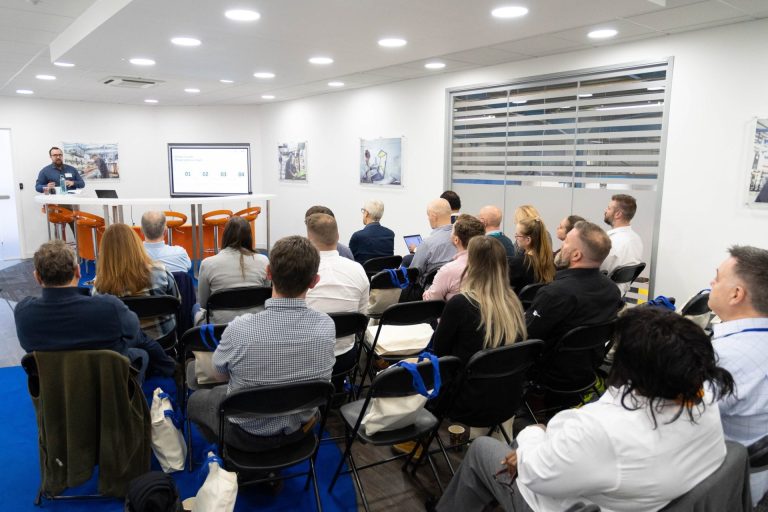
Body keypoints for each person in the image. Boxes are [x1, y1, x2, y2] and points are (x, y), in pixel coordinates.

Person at [435, 307, 735, 512]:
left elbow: (537, 473)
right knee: (516, 451)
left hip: (578, 503)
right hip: (642, 494)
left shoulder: (602, 430)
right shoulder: (704, 396)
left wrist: (533, 436)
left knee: (484, 449)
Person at [187, 236, 335, 452]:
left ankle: (230, 454)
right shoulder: (327, 326)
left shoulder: (240, 329)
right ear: (314, 281)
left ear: (268, 274)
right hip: (301, 430)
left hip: (246, 435)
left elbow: (219, 375)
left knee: (196, 400)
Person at [14, 240, 174, 382]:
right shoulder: (107, 308)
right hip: (105, 387)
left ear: (37, 277)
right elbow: (133, 331)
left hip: (54, 391)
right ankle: (171, 369)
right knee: (141, 349)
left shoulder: (23, 313)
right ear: (78, 271)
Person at [526, 221, 622, 388]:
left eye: (566, 242)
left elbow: (526, 335)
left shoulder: (555, 293)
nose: (561, 245)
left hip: (549, 374)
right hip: (587, 370)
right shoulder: (612, 290)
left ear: (576, 255)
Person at [709, 245, 768, 506]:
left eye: (718, 278)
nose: (712, 282)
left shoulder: (721, 357)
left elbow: (667, 421)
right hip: (754, 481)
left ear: (736, 294)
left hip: (720, 486)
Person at [432, 236, 526, 364]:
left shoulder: (460, 304)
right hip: (507, 381)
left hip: (465, 380)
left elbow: (439, 351)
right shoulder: (514, 301)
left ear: (471, 264)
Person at [305, 213, 369, 387]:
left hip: (307, 359)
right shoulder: (358, 270)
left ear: (309, 239)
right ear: (338, 237)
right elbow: (362, 318)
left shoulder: (303, 271)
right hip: (345, 357)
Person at [92, 223, 180, 341]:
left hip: (122, 345)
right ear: (136, 244)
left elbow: (98, 318)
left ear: (104, 252)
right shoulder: (161, 272)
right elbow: (176, 302)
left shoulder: (99, 285)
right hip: (162, 339)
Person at [196, 216, 270, 324]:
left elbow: (204, 304)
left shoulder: (207, 264)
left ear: (225, 236)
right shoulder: (264, 261)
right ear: (250, 237)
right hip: (255, 324)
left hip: (220, 327)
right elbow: (267, 295)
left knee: (195, 308)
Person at [423, 214, 485, 302]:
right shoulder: (492, 265)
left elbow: (432, 301)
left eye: (452, 230)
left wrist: (426, 292)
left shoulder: (448, 270)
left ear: (456, 240)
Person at [601, 194, 643, 295]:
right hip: (619, 294)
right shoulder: (636, 239)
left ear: (617, 214)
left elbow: (600, 270)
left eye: (609, 208)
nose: (605, 210)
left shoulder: (611, 242)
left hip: (603, 294)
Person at [409, 198, 456, 280]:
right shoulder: (462, 239)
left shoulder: (427, 243)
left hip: (430, 289)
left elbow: (412, 274)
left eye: (428, 215)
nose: (428, 219)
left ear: (434, 217)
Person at [509, 217, 555, 292]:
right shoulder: (551, 261)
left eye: (517, 235)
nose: (516, 238)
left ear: (528, 240)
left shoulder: (518, 263)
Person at [348, 200, 395, 264]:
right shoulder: (390, 234)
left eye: (363, 211)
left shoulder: (358, 236)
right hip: (384, 273)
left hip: (363, 273)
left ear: (366, 213)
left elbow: (349, 260)